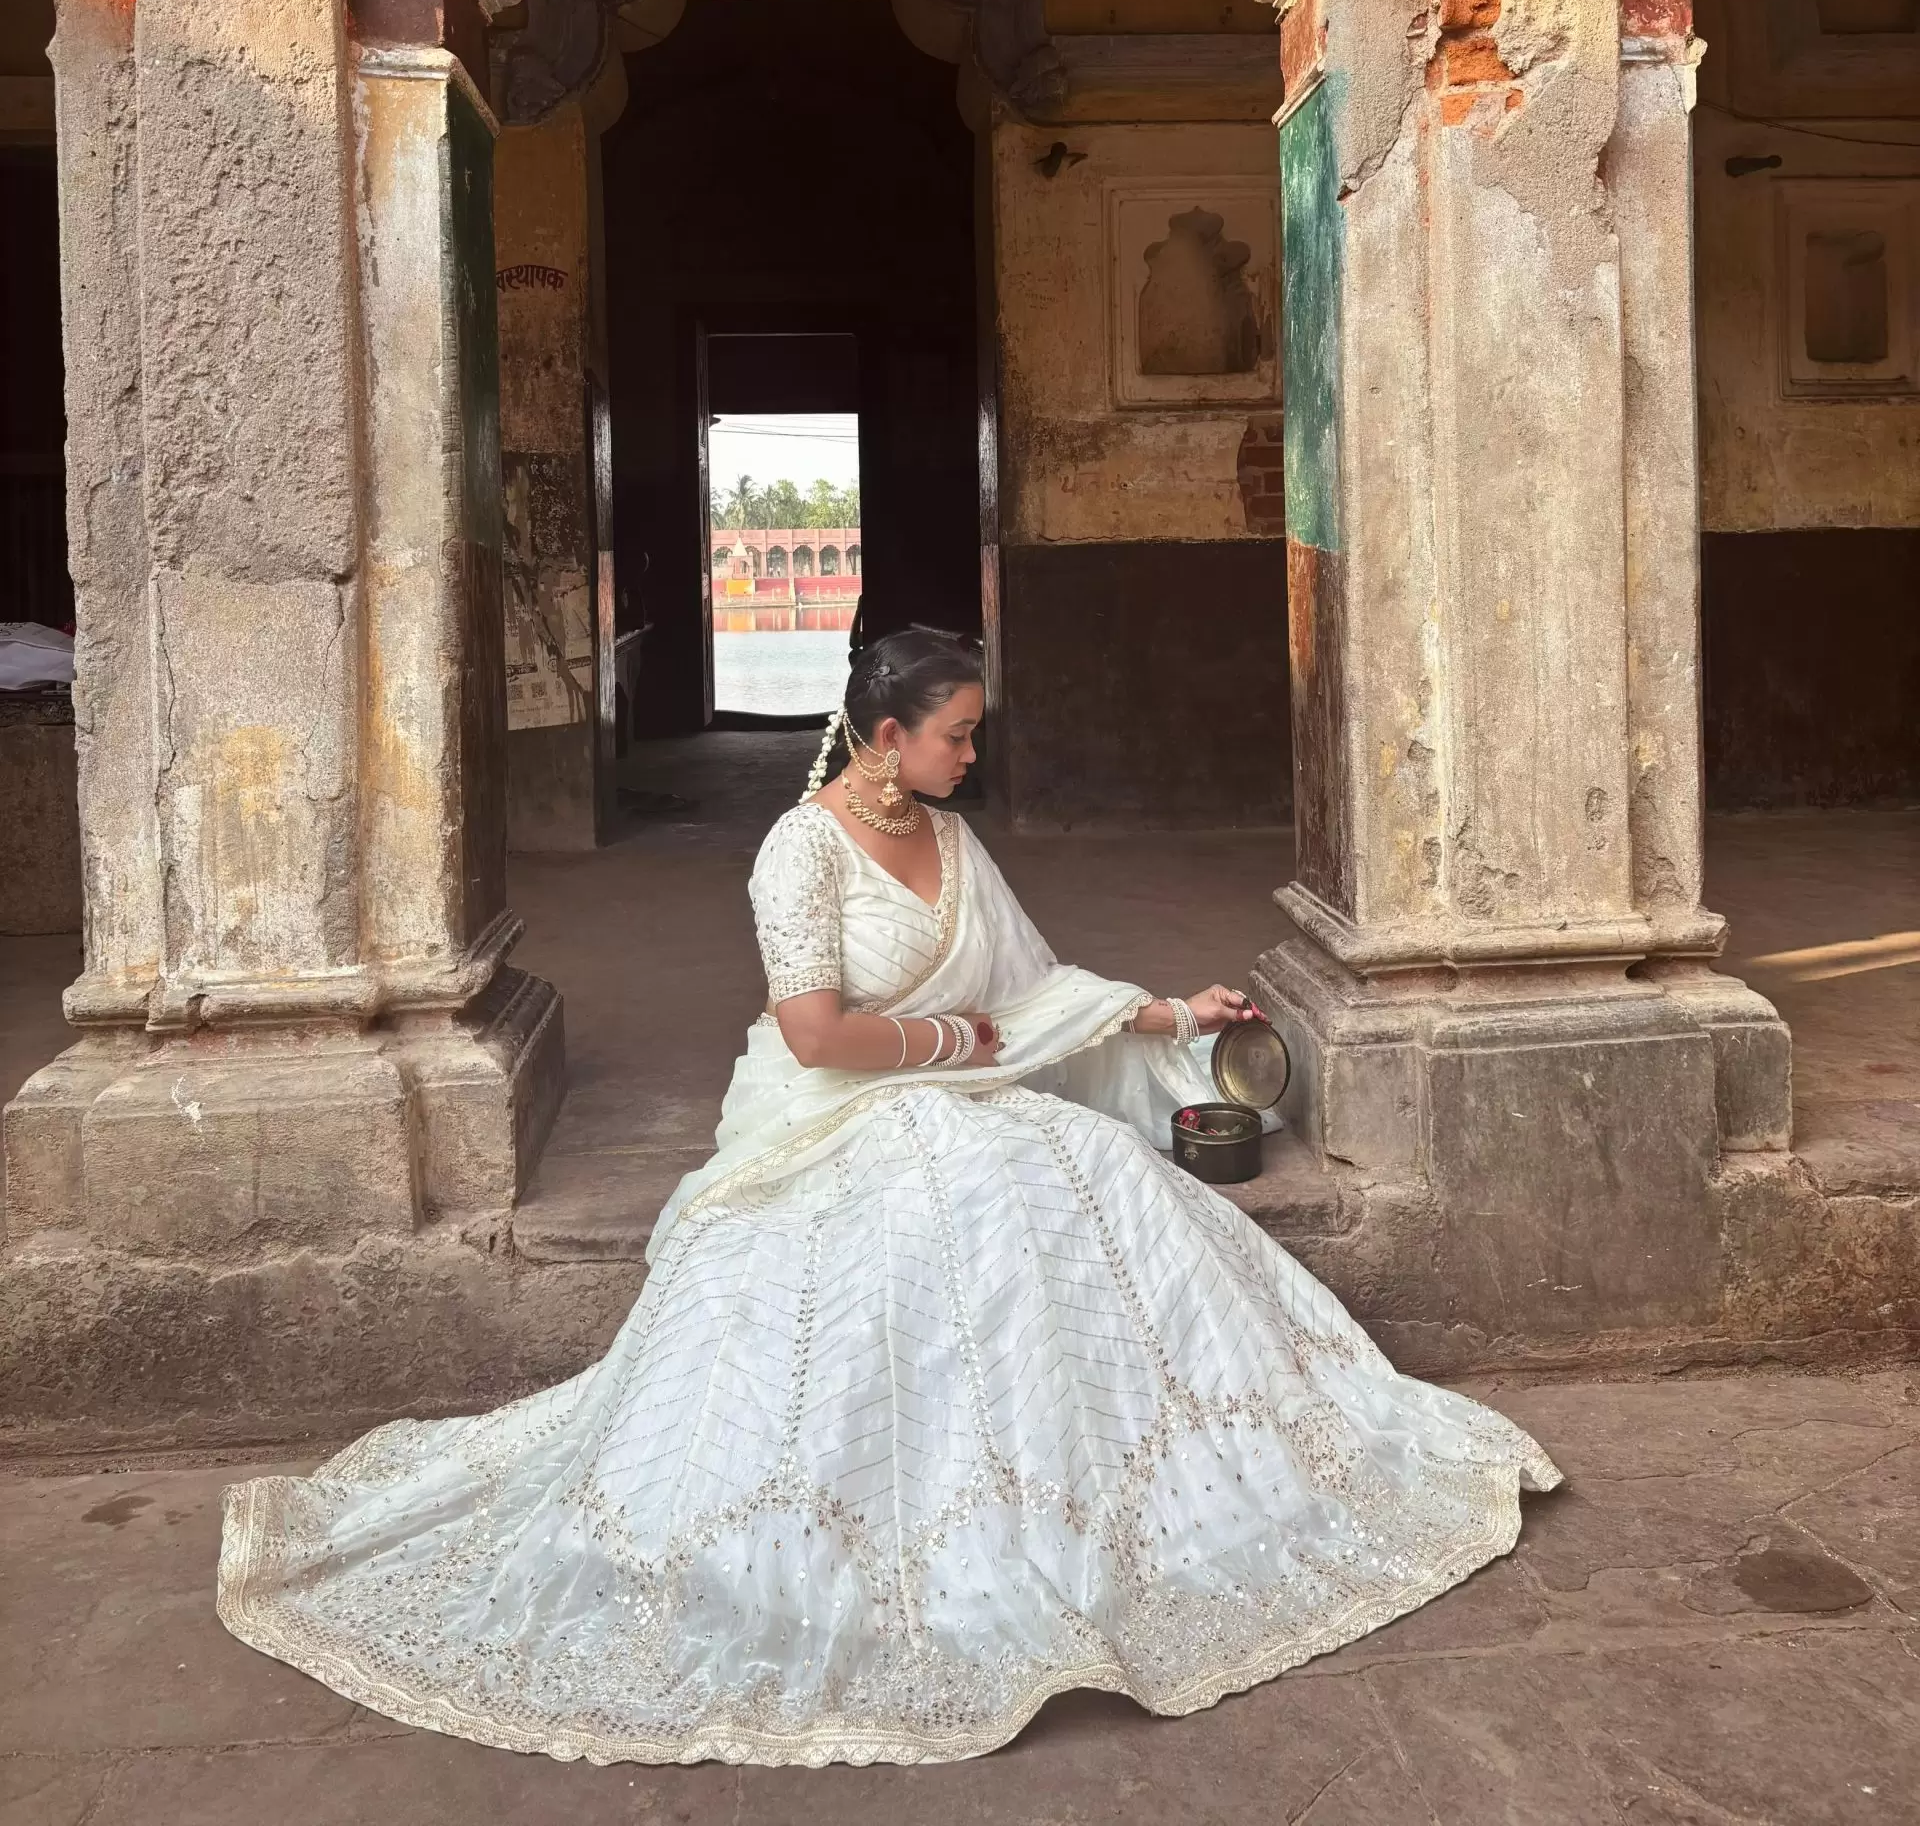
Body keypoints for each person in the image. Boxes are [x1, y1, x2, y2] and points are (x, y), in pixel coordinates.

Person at [217, 626, 1558, 1768]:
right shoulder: (798, 854)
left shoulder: (958, 844)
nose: (971, 757)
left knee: (1091, 1169)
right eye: (956, 736)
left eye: (973, 735)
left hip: (960, 1095)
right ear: (880, 733)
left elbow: (1027, 991)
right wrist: (959, 1051)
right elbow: (816, 1034)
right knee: (936, 1200)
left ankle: (1112, 1512)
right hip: (835, 1114)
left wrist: (1167, 1011)